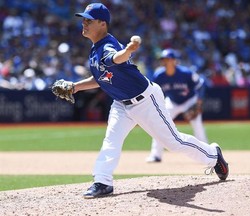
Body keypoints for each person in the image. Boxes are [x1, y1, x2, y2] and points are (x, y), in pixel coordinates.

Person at [70, 3, 228, 199]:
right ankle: (102, 182)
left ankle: (214, 155)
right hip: (121, 103)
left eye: (89, 20)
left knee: (174, 142)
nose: (84, 23)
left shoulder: (108, 46)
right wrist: (74, 87)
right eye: (83, 19)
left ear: (102, 24)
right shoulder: (95, 49)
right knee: (111, 140)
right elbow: (101, 79)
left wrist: (127, 50)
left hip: (145, 101)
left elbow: (116, 58)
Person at [146, 48, 208, 163]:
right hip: (172, 102)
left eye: (168, 59)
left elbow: (201, 84)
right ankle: (156, 155)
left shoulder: (186, 73)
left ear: (174, 60)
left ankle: (208, 153)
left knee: (197, 125)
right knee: (160, 124)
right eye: (163, 59)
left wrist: (199, 100)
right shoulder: (159, 75)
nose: (165, 61)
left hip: (190, 101)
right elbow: (152, 90)